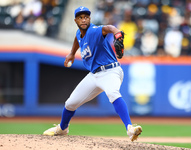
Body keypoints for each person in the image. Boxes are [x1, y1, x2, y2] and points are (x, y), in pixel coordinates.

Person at [43, 6, 142, 142]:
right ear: (75, 20)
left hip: (110, 71)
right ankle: (62, 129)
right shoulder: (79, 33)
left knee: (113, 94)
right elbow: (77, 39)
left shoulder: (94, 31)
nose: (84, 19)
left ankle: (130, 129)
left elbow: (109, 28)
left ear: (89, 18)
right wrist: (72, 53)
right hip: (94, 75)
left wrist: (117, 33)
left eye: (86, 17)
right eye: (80, 17)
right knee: (70, 104)